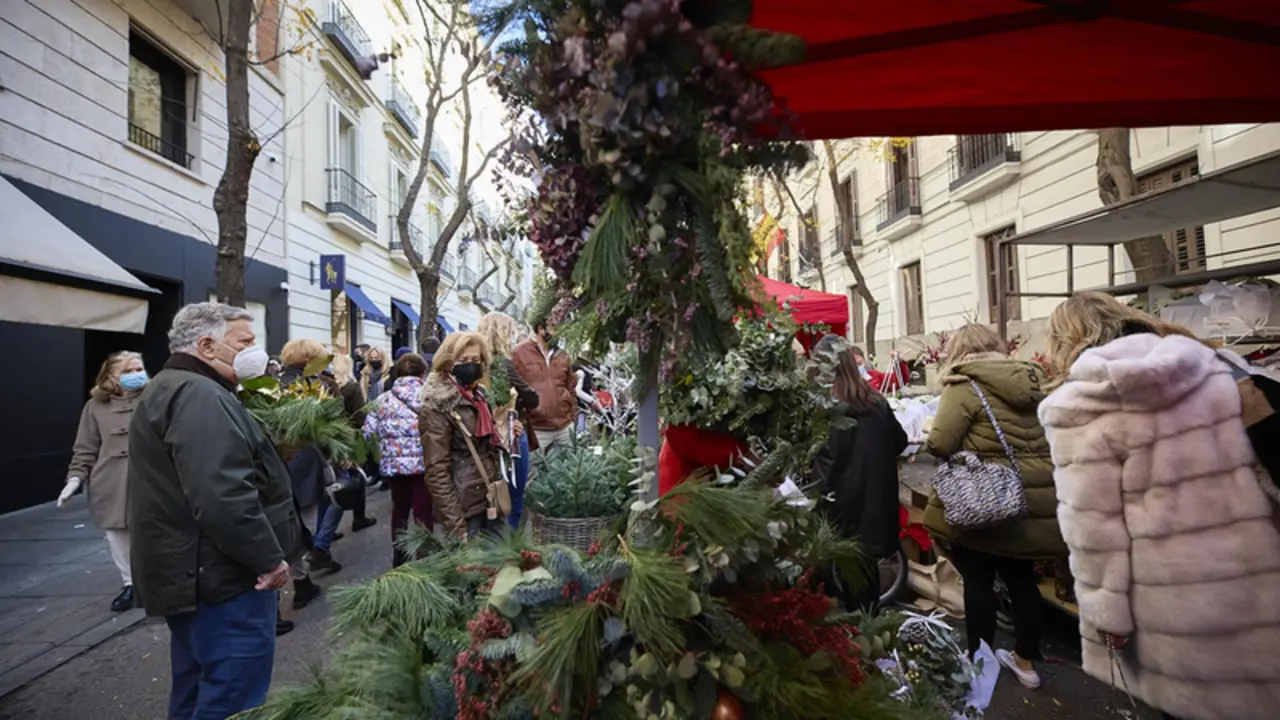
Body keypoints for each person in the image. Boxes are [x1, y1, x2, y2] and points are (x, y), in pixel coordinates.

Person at [1039, 292, 1280, 720]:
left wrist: (1105, 615)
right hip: (1259, 585)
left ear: (1063, 340)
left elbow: (1093, 528)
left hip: (1173, 609)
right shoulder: (1215, 366)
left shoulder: (1083, 403)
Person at [128, 302, 301, 719]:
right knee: (231, 696)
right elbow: (222, 495)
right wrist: (268, 559)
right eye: (245, 341)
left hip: (197, 574)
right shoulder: (199, 395)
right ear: (207, 346)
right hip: (222, 579)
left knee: (197, 689)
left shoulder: (178, 388)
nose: (255, 350)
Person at [921, 323, 1064, 690]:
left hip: (984, 497)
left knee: (979, 581)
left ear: (957, 351)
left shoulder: (963, 385)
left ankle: (980, 663)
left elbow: (941, 443)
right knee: (1022, 579)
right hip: (1031, 497)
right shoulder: (1034, 381)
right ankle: (1026, 662)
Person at [811, 337, 908, 613]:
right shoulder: (876, 402)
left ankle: (861, 633)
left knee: (853, 581)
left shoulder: (825, 409)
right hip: (877, 501)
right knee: (866, 577)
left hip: (842, 506)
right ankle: (869, 628)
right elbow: (900, 441)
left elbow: (825, 465)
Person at [59, 351, 147, 612]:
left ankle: (155, 582)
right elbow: (85, 447)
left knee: (153, 531)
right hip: (110, 481)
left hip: (149, 478)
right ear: (111, 376)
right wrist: (74, 479)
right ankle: (130, 584)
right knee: (117, 536)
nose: (136, 375)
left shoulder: (155, 397)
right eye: (127, 371)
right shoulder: (94, 407)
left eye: (139, 369)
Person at [420, 332, 504, 537]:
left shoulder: (478, 395)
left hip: (488, 495)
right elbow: (437, 471)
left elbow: (486, 446)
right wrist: (456, 525)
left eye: (476, 360)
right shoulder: (438, 405)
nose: (471, 365)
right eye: (463, 360)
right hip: (464, 506)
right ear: (448, 362)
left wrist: (506, 433)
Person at [363, 352, 432, 566]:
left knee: (400, 509)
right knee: (423, 510)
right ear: (423, 372)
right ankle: (425, 556)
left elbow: (367, 433)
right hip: (424, 464)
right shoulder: (429, 397)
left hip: (394, 466)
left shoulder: (384, 399)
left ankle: (399, 555)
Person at [478, 312, 538, 529]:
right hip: (508, 434)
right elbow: (532, 399)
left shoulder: (475, 363)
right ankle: (510, 542)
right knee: (513, 499)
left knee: (488, 498)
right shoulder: (503, 364)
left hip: (480, 437)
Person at [511, 318, 577, 450]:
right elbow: (511, 389)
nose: (559, 332)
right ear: (541, 329)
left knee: (569, 462)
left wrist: (573, 414)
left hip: (565, 427)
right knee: (535, 464)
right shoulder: (519, 353)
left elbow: (571, 387)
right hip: (535, 430)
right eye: (555, 328)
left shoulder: (563, 355)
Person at [330, 353, 377, 534]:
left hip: (333, 436)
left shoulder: (327, 385)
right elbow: (360, 415)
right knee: (357, 476)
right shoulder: (351, 387)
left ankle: (327, 529)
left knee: (335, 478)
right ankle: (359, 517)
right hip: (351, 436)